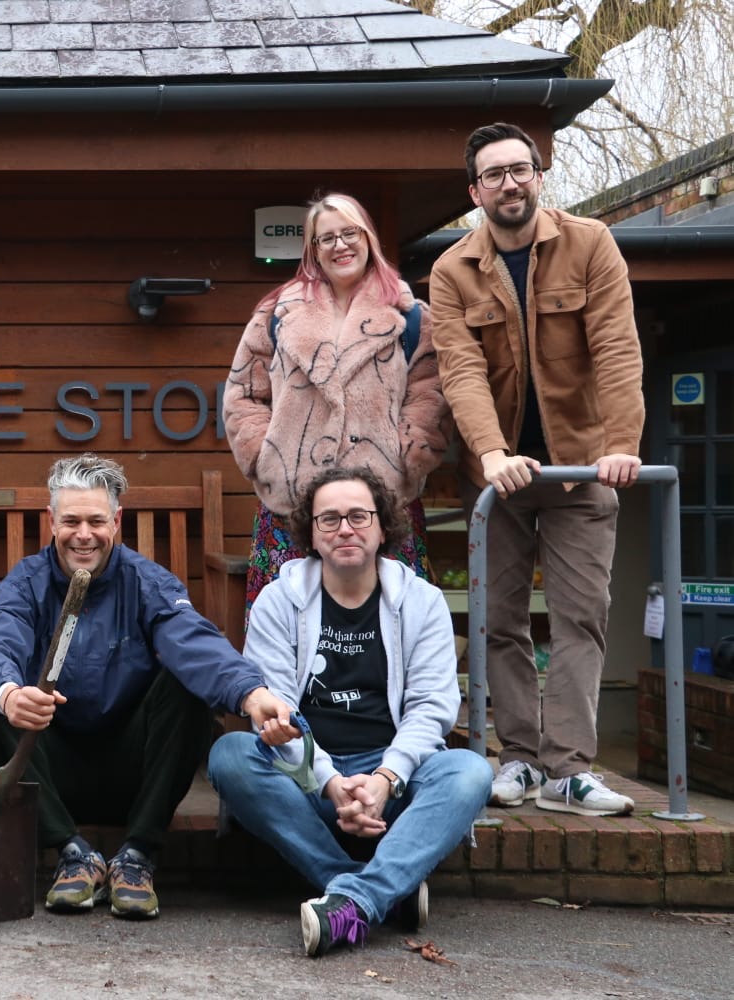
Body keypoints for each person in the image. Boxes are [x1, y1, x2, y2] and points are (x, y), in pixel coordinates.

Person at [0, 453, 294, 921]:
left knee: (186, 686)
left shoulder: (147, 581)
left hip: (133, 771)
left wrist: (251, 694)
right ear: (50, 521)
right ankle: (72, 853)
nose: (83, 534)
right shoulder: (26, 584)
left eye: (96, 520)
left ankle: (137, 857)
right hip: (50, 772)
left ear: (116, 520)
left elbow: (194, 642)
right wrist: (10, 694)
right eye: (71, 520)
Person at [429, 122, 644, 817]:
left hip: (581, 470)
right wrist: (491, 453)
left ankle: (570, 771)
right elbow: (459, 371)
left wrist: (620, 442)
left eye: (520, 169)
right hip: (497, 478)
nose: (510, 183)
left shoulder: (591, 244)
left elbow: (615, 349)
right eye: (494, 175)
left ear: (540, 175)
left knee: (583, 617)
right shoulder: (453, 270)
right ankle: (518, 758)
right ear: (474, 191)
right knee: (500, 620)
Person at [207, 467, 492, 957]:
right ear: (311, 534)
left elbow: (431, 709)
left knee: (469, 771)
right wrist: (332, 784)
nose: (345, 529)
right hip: (308, 781)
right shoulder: (279, 600)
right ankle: (376, 890)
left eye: (359, 516)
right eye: (329, 519)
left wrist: (384, 780)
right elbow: (277, 710)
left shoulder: (422, 602)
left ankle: (353, 901)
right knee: (231, 755)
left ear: (383, 528)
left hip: (395, 778)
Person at [223, 192, 451, 618]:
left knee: (391, 627)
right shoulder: (275, 315)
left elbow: (429, 395)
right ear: (312, 250)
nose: (340, 245)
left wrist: (409, 453)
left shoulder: (412, 316)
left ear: (368, 239)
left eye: (350, 233)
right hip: (291, 506)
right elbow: (244, 395)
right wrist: (265, 455)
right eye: (326, 238)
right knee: (284, 629)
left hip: (383, 507)